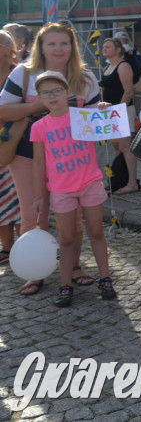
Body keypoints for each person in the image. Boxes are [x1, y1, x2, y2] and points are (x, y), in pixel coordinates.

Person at [0, 22, 101, 295]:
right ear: (40, 47)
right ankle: (35, 271)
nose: (58, 49)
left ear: (72, 47)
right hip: (26, 155)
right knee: (33, 215)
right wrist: (38, 105)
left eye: (64, 43)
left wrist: (103, 116)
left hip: (73, 162)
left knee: (75, 218)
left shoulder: (85, 78)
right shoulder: (24, 73)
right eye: (51, 44)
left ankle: (74, 267)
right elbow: (2, 111)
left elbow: (96, 122)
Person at [30, 71, 117, 307]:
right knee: (66, 239)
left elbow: (106, 125)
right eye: (46, 93)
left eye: (57, 90)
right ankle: (66, 284)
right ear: (39, 98)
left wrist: (104, 111)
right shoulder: (39, 127)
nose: (53, 96)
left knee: (96, 232)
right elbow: (39, 163)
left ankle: (105, 278)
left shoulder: (82, 117)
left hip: (90, 183)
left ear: (68, 92)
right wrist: (39, 194)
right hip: (61, 190)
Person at [99, 37, 139, 194]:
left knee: (125, 147)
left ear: (118, 49)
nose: (104, 49)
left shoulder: (123, 66)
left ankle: (132, 183)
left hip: (122, 111)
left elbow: (129, 91)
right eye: (103, 46)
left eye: (108, 46)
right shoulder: (108, 67)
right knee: (116, 147)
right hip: (111, 113)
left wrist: (118, 112)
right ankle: (119, 179)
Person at [0, 30, 21, 264]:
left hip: (17, 142)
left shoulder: (19, 73)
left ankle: (23, 245)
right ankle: (6, 248)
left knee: (19, 196)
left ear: (7, 48)